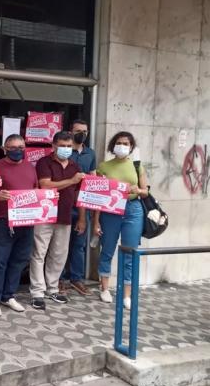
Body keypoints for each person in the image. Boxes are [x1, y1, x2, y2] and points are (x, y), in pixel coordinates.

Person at [30, 131, 86, 310]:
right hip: (44, 214)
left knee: (59, 254)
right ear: (53, 146)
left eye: (69, 146)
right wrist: (71, 180)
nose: (66, 149)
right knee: (39, 253)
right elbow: (45, 184)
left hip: (65, 215)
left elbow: (80, 194)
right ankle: (37, 291)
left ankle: (52, 288)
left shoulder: (75, 166)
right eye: (62, 146)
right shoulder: (44, 162)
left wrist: (82, 218)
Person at [93, 131, 147, 309]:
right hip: (110, 209)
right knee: (107, 249)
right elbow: (98, 196)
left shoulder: (137, 165)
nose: (122, 146)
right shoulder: (104, 166)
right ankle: (104, 288)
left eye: (126, 143)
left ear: (131, 147)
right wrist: (96, 221)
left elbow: (145, 191)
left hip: (133, 209)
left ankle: (127, 295)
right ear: (113, 145)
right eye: (119, 142)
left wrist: (138, 190)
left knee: (130, 252)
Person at [0, 135, 38, 317]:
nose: (17, 150)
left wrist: (48, 198)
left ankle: (8, 295)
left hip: (27, 220)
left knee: (19, 259)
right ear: (4, 148)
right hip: (3, 220)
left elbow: (36, 192)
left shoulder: (30, 167)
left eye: (21, 147)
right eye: (13, 147)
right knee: (0, 260)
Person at [60, 119, 97, 296]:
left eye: (84, 131)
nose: (81, 134)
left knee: (79, 245)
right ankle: (59, 279)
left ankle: (76, 279)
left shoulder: (90, 154)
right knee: (60, 245)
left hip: (83, 206)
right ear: (70, 131)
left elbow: (92, 179)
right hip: (64, 204)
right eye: (78, 131)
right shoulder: (65, 151)